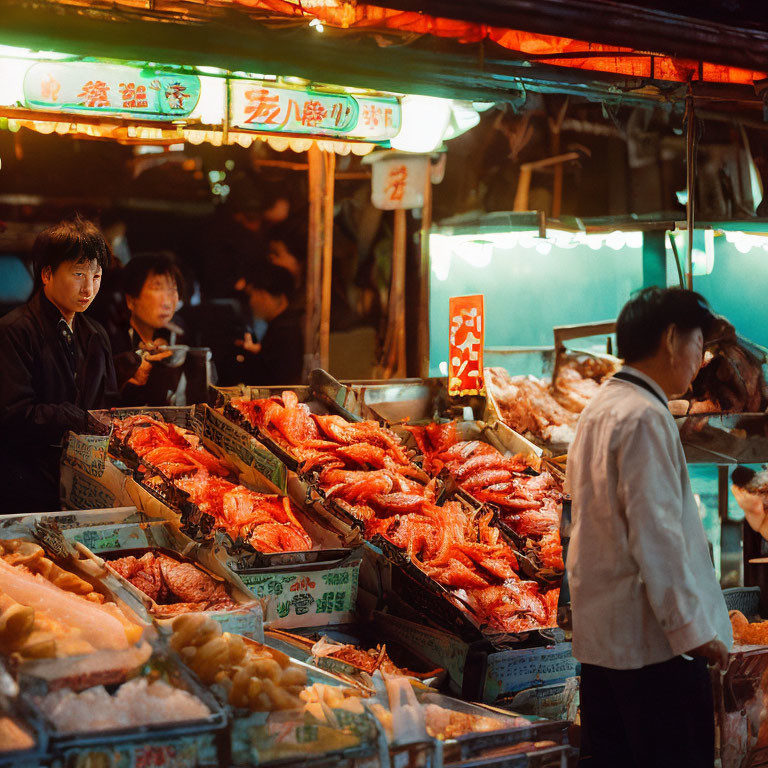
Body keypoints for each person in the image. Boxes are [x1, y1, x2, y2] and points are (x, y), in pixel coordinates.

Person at [566, 287, 733, 767]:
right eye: (699, 345)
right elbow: (656, 538)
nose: (701, 361)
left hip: (603, 650)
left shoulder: (599, 407)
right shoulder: (645, 416)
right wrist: (692, 633)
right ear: (671, 338)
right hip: (653, 654)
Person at [0, 216, 116, 512]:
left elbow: (108, 405)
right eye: (79, 274)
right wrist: (74, 418)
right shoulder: (14, 331)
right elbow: (14, 415)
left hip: (83, 485)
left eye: (96, 276)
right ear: (47, 274)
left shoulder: (96, 334)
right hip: (25, 485)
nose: (88, 288)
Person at [110, 253, 190, 406]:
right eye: (157, 288)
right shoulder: (112, 343)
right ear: (131, 300)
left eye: (172, 289)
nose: (167, 302)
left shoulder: (179, 333)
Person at [237, 262, 303, 385]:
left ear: (267, 294)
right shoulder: (282, 324)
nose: (251, 302)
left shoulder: (285, 329)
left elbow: (276, 378)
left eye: (253, 295)